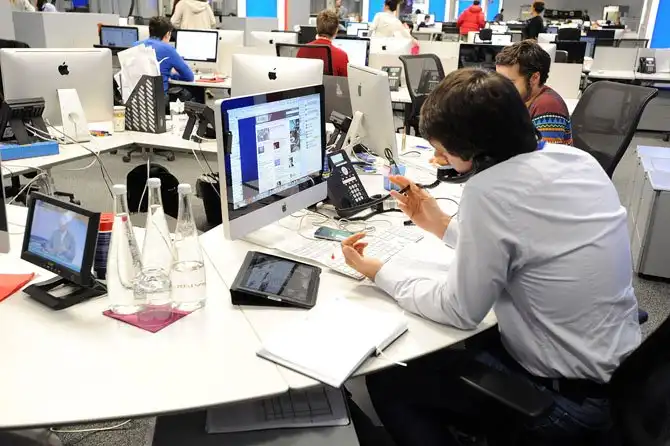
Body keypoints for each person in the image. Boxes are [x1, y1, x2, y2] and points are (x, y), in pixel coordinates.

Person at [341, 68, 641, 444]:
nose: (439, 158)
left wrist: (380, 272)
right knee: (463, 346)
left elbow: (459, 311)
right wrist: (440, 224)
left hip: (567, 406)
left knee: (390, 381)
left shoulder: (488, 191)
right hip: (623, 378)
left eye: (444, 152)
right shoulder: (578, 161)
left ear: (478, 152)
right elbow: (528, 241)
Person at [496, 40, 572, 145]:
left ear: (534, 78)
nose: (501, 88)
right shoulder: (519, 100)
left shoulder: (547, 105)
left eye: (509, 82)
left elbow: (546, 153)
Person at [134, 17, 194, 96]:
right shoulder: (168, 50)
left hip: (136, 99)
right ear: (168, 34)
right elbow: (189, 77)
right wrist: (171, 75)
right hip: (159, 100)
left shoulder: (135, 45)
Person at [297, 9, 349, 77]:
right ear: (336, 31)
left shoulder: (302, 50)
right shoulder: (342, 56)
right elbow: (346, 82)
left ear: (316, 29)